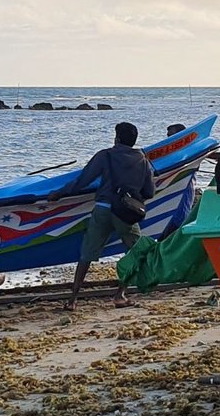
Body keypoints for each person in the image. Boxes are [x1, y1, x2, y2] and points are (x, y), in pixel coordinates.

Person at [47, 122, 155, 310]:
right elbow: (150, 192)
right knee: (136, 251)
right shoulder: (143, 161)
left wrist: (60, 193)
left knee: (87, 254)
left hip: (103, 209)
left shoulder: (105, 155)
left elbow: (83, 180)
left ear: (117, 138)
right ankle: (120, 294)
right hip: (126, 214)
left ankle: (73, 300)